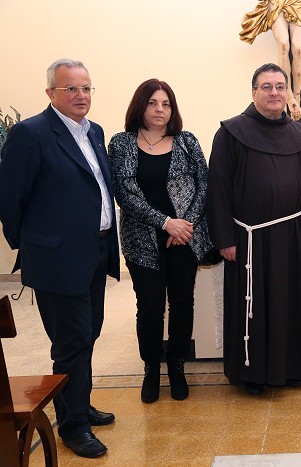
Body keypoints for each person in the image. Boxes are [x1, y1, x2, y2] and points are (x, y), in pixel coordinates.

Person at [0, 59, 119, 458]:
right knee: (71, 342)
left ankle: (78, 402)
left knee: (89, 334)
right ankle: (73, 427)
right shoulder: (31, 133)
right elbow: (10, 199)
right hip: (57, 260)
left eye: (86, 88)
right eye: (71, 89)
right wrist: (34, 246)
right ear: (50, 92)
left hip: (96, 251)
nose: (80, 95)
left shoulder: (94, 131)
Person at [206, 63, 301, 395]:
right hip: (248, 238)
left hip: (290, 236)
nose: (274, 92)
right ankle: (253, 373)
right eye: (267, 86)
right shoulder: (230, 133)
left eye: (280, 86)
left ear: (288, 92)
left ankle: (291, 369)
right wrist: (225, 239)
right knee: (253, 306)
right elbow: (217, 190)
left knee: (289, 303)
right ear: (253, 92)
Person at [108, 79, 213, 404]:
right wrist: (166, 223)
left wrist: (184, 226)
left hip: (184, 240)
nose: (159, 110)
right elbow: (124, 194)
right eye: (153, 103)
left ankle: (177, 366)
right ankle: (151, 368)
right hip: (142, 240)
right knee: (150, 309)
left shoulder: (186, 141)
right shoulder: (122, 143)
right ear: (140, 106)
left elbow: (204, 184)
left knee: (182, 304)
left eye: (166, 104)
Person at [240, 0, 301, 121]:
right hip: (276, 2)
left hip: (299, 2)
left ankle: (297, 96)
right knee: (283, 44)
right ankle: (289, 97)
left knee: (298, 48)